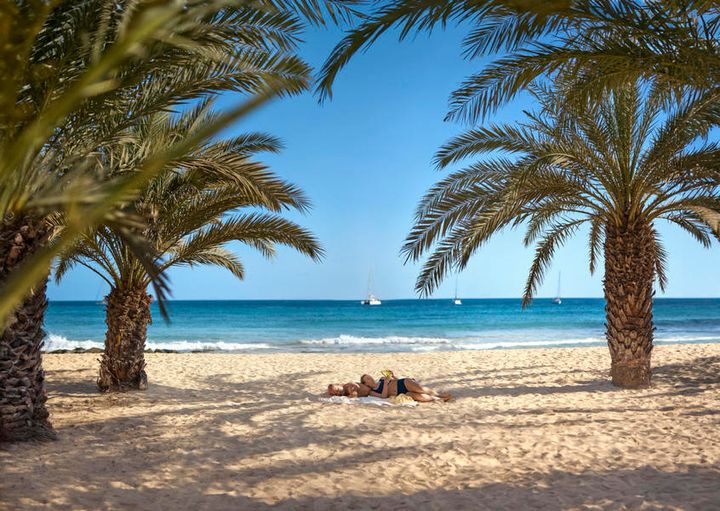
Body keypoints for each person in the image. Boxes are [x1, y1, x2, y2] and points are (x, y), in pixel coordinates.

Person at [360, 372, 452, 403]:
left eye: (369, 376)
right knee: (415, 395)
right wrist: (385, 384)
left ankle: (440, 395)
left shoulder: (381, 379)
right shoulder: (372, 391)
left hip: (404, 383)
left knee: (421, 390)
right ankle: (436, 399)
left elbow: (396, 380)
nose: (370, 378)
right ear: (365, 384)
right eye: (367, 378)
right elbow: (383, 396)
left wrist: (393, 376)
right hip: (401, 392)